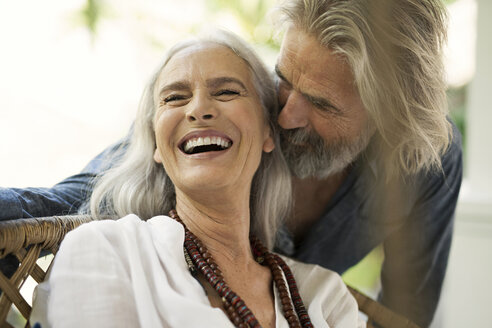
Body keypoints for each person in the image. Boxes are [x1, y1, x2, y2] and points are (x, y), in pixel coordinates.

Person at [1, 0, 462, 326]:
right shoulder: (240, 106)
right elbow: (63, 200)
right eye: (285, 79)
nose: (286, 115)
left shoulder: (426, 169)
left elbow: (404, 313)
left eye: (322, 104)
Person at [29, 30, 364, 328]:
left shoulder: (326, 296)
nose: (198, 109)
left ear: (268, 131)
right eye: (174, 97)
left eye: (227, 92)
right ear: (156, 144)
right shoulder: (107, 249)